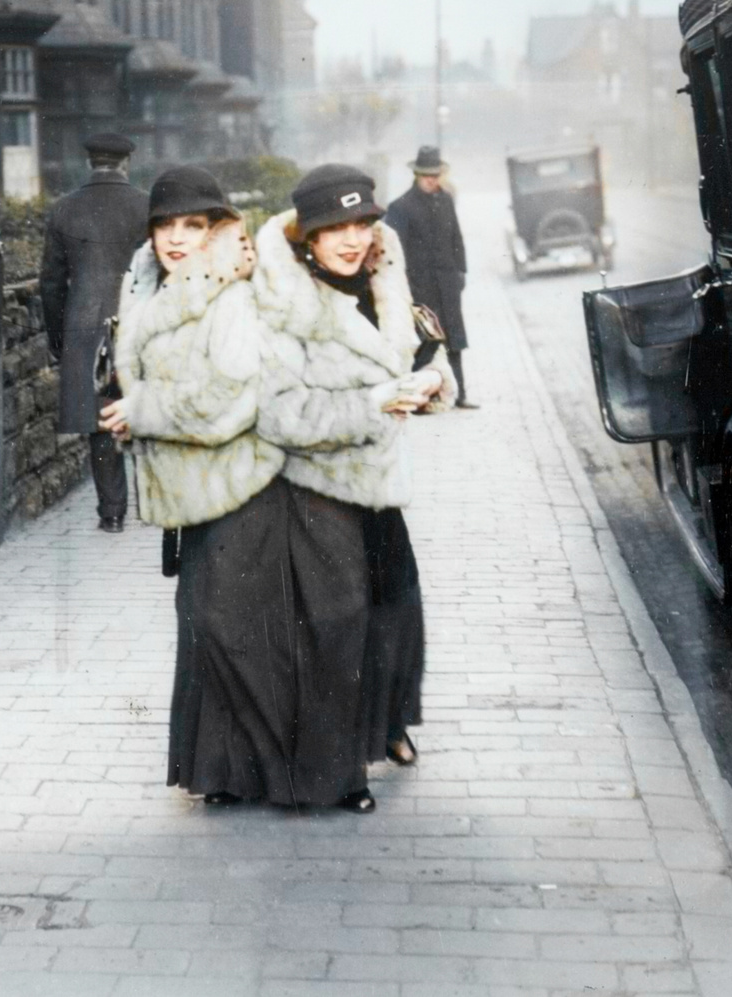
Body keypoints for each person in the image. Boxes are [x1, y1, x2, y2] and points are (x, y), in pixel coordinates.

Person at [98, 167, 306, 807]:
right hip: (196, 488)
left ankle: (285, 774)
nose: (177, 238)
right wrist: (130, 416)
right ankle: (222, 774)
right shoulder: (149, 290)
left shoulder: (229, 295)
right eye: (165, 225)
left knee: (225, 624)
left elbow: (232, 396)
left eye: (193, 225)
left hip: (242, 482)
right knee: (206, 625)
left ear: (218, 229)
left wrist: (146, 413)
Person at [253, 164, 455, 802]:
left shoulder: (383, 280)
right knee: (336, 627)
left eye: (361, 225)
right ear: (306, 238)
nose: (351, 240)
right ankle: (336, 770)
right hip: (314, 488)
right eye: (333, 229)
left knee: (400, 608)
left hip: (377, 483)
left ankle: (387, 724)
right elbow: (282, 414)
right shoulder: (284, 304)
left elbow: (425, 352)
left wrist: (428, 387)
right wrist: (379, 401)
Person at [40, 132, 148, 532]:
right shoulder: (147, 205)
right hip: (138, 323)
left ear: (90, 163)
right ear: (126, 164)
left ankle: (112, 513)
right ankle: (154, 505)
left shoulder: (64, 209)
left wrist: (58, 341)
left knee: (102, 421)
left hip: (84, 327)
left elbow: (50, 284)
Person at [384, 145, 477, 409]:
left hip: (448, 284)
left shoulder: (446, 200)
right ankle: (417, 398)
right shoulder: (401, 207)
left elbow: (456, 238)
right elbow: (395, 250)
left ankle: (459, 395)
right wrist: (404, 287)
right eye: (426, 175)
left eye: (435, 175)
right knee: (425, 340)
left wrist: (461, 271)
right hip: (419, 287)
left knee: (454, 340)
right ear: (416, 174)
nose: (431, 180)